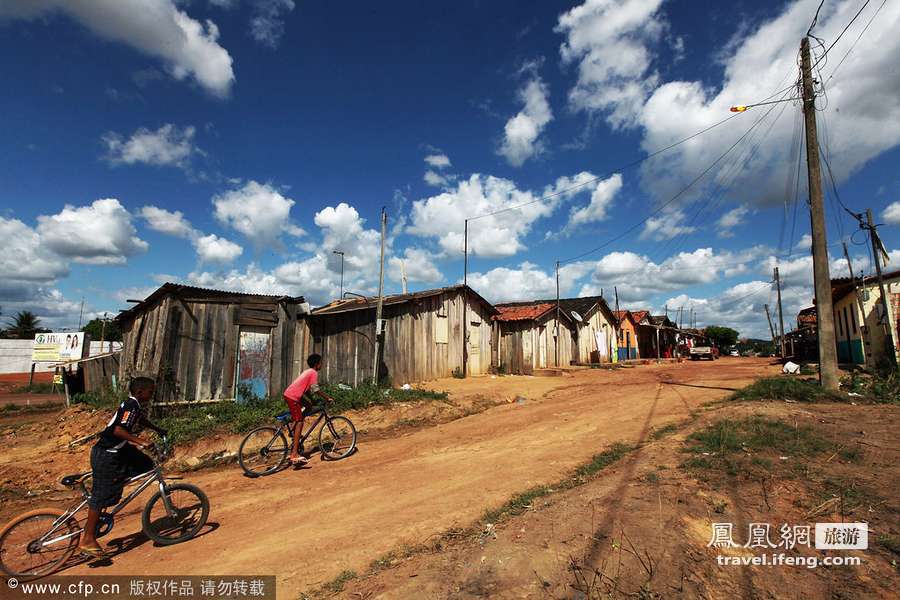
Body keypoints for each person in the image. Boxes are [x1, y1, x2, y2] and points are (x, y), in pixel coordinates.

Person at [78, 377, 167, 557]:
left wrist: (157, 429)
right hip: (107, 454)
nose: (152, 395)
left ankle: (116, 482)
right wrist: (140, 441)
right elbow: (119, 430)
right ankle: (88, 538)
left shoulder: (134, 406)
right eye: (150, 392)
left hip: (119, 450)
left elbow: (140, 421)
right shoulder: (130, 405)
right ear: (141, 392)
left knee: (146, 464)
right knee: (100, 496)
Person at [283, 354, 333, 467]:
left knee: (309, 407)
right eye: (321, 363)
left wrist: (312, 401)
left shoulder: (308, 372)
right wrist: (327, 398)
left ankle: (293, 427)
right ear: (317, 364)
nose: (322, 364)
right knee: (300, 421)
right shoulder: (313, 373)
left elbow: (306, 390)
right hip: (293, 397)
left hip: (291, 394)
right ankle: (294, 454)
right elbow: (315, 389)